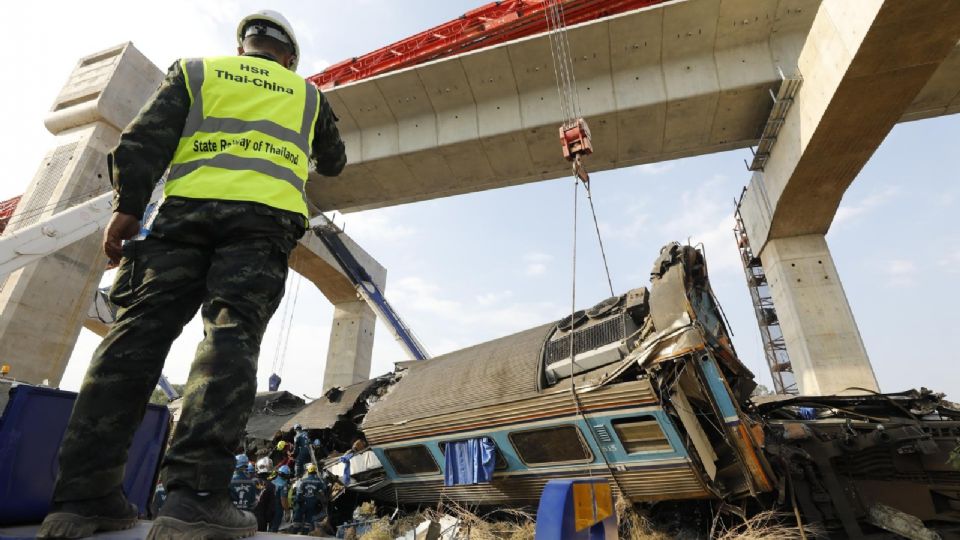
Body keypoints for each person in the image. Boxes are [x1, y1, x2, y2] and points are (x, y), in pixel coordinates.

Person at [36, 9, 346, 540]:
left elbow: (141, 142)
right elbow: (334, 162)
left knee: (133, 338)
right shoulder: (308, 96)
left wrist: (128, 206)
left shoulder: (197, 71)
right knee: (229, 342)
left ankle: (83, 498)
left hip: (181, 218)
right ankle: (196, 498)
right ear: (289, 58)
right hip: (260, 226)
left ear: (243, 44)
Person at [293, 463, 327, 534]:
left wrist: (297, 501)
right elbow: (324, 489)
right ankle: (304, 534)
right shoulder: (319, 481)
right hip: (312, 504)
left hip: (302, 503)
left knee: (297, 521)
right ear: (315, 472)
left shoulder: (303, 481)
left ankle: (294, 533)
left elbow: (299, 492)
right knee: (308, 522)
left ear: (308, 471)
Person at [252, 457, 276, 532]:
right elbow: (271, 507)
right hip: (262, 520)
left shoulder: (250, 483)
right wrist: (269, 520)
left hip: (248, 517)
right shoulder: (271, 486)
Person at [269, 465, 291, 532]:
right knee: (274, 528)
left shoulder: (272, 480)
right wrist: (287, 511)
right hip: (277, 509)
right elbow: (283, 499)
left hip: (269, 508)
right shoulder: (283, 485)